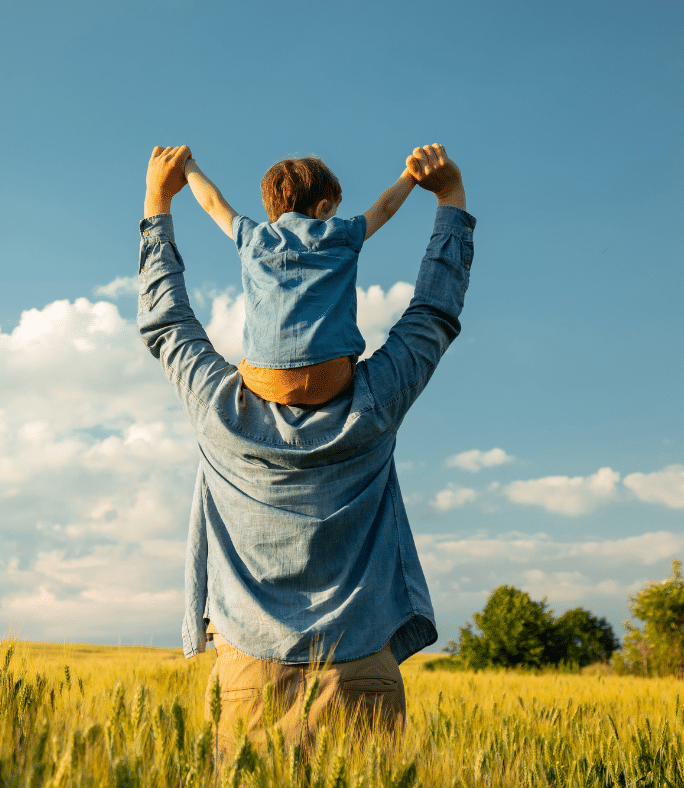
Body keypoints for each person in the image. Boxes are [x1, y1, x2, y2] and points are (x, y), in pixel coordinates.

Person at [138, 143, 474, 754]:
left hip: (248, 684)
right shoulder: (375, 402)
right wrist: (449, 199)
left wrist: (158, 204)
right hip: (362, 675)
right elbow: (433, 313)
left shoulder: (219, 411)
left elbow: (166, 323)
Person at [182, 153, 416, 405]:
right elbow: (385, 207)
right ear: (323, 207)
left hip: (267, 381)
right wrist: (410, 175)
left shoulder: (253, 238)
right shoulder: (341, 234)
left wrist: (187, 165)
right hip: (330, 378)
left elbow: (212, 203)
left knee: (243, 367)